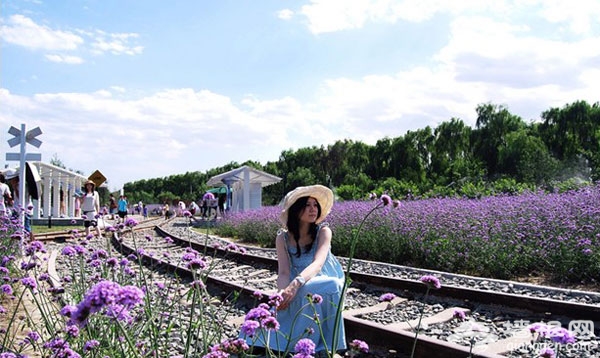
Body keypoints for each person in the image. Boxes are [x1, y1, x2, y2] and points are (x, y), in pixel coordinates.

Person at [241, 185, 346, 354]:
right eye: (308, 205)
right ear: (296, 209)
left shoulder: (324, 231)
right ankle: (284, 343)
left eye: (315, 205)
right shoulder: (282, 237)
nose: (313, 209)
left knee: (331, 284)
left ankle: (323, 347)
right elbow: (283, 272)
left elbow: (318, 263)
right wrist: (282, 294)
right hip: (296, 283)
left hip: (321, 279)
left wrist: (295, 285)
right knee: (281, 302)